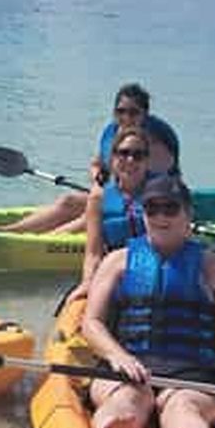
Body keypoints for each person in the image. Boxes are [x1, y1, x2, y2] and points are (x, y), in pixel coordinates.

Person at [81, 174, 215, 428]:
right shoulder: (117, 261)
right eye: (152, 208)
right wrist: (118, 357)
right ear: (143, 213)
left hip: (192, 378)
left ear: (188, 214)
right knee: (129, 398)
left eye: (171, 208)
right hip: (128, 372)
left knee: (183, 407)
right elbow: (91, 324)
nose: (160, 216)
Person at [1, 82, 179, 234]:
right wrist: (97, 181)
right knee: (68, 201)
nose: (126, 118)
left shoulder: (155, 141)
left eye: (133, 113)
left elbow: (153, 181)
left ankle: (41, 242)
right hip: (120, 195)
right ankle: (10, 231)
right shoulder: (112, 132)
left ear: (144, 114)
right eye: (121, 111)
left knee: (93, 212)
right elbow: (97, 163)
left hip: (153, 204)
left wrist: (107, 195)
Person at [68, 125, 152, 299]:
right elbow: (93, 253)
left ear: (147, 161)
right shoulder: (98, 198)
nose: (130, 160)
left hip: (154, 269)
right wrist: (88, 282)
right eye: (123, 153)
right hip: (114, 270)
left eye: (138, 155)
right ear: (113, 158)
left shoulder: (161, 193)